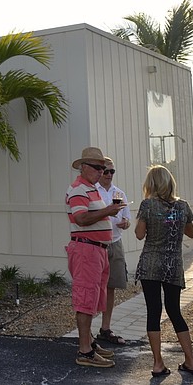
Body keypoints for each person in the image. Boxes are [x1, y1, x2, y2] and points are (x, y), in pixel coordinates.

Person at [135, 165, 193, 378]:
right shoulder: (182, 206)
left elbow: (139, 234)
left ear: (151, 184)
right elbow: (191, 233)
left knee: (154, 311)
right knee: (174, 311)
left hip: (151, 264)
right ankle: (190, 360)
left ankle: (158, 363)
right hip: (173, 265)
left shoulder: (147, 205)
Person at [65, 147, 126, 368]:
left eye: (104, 168)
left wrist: (107, 212)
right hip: (87, 250)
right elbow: (81, 218)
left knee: (91, 299)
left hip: (96, 249)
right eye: (97, 167)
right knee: (86, 299)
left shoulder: (90, 189)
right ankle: (85, 352)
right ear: (84, 167)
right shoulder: (79, 189)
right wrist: (108, 211)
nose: (102, 172)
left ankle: (88, 343)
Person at [95, 157, 131, 346]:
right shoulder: (93, 192)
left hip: (115, 242)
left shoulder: (119, 193)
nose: (109, 175)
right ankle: (86, 331)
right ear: (100, 171)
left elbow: (127, 219)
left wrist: (125, 223)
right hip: (97, 243)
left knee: (111, 287)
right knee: (93, 286)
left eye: (112, 172)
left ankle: (105, 327)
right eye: (106, 171)